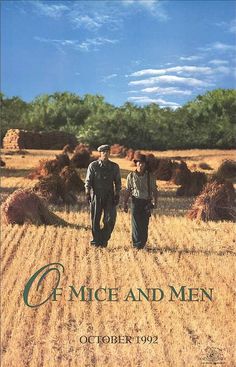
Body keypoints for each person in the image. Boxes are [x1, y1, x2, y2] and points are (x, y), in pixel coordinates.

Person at [85, 144, 121, 247]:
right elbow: (88, 181)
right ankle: (96, 241)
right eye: (103, 152)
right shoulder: (93, 166)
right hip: (96, 195)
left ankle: (104, 239)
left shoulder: (114, 167)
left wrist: (117, 194)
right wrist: (87, 193)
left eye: (107, 152)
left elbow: (118, 182)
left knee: (110, 219)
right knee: (95, 219)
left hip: (109, 196)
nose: (105, 154)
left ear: (109, 153)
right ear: (100, 153)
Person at [123, 154, 158, 249]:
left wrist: (155, 202)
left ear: (145, 164)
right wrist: (125, 203)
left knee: (144, 224)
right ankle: (136, 245)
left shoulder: (150, 176)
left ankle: (142, 244)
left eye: (143, 163)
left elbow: (154, 190)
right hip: (135, 202)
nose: (141, 165)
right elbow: (128, 190)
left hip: (146, 202)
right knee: (135, 224)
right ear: (136, 164)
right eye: (139, 163)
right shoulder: (131, 176)